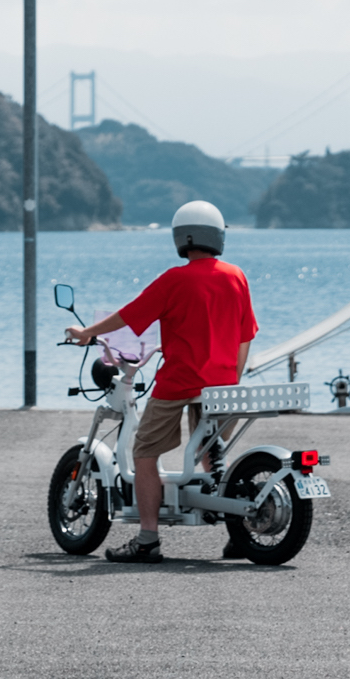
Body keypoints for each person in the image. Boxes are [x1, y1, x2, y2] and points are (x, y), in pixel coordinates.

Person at [63, 199, 258, 563]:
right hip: (221, 385)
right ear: (217, 236)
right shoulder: (236, 276)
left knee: (145, 452)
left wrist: (87, 333)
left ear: (182, 238)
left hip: (179, 384)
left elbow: (128, 315)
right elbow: (247, 336)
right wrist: (232, 378)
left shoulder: (174, 279)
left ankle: (148, 539)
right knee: (210, 451)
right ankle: (238, 529)